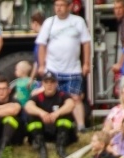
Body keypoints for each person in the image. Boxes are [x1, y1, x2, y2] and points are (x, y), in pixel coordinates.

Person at [36, 0, 91, 131]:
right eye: (56, 5)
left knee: (75, 97)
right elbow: (41, 45)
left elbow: (86, 43)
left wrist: (86, 63)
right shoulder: (49, 23)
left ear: (69, 6)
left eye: (61, 5)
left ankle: (80, 125)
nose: (58, 8)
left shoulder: (78, 21)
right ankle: (48, 125)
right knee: (51, 96)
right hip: (53, 68)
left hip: (73, 69)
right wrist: (42, 65)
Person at [24, 70, 76, 158]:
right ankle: (42, 149)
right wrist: (42, 113)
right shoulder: (38, 96)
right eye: (46, 82)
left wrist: (57, 113)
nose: (49, 84)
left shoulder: (62, 95)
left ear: (56, 83)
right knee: (31, 117)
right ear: (42, 84)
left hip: (59, 132)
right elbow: (28, 106)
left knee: (67, 116)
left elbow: (70, 104)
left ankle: (60, 148)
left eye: (52, 82)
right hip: (43, 132)